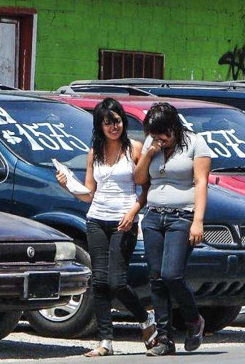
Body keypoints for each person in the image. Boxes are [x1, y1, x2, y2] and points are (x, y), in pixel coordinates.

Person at [56, 98, 156, 357]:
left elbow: (146, 188)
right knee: (99, 282)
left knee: (117, 281)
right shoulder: (94, 153)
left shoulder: (134, 149)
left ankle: (146, 320)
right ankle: (105, 341)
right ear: (99, 125)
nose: (114, 127)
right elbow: (89, 193)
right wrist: (67, 184)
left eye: (118, 121)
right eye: (108, 122)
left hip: (124, 221)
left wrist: (133, 212)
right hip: (97, 219)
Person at [133, 102, 211, 356]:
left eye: (163, 135)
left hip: (182, 216)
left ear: (174, 128)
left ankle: (193, 320)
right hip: (154, 216)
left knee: (172, 275)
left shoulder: (195, 144)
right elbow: (140, 179)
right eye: (153, 135)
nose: (159, 140)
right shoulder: (151, 144)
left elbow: (201, 183)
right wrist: (149, 153)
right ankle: (164, 338)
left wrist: (197, 221)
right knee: (156, 278)